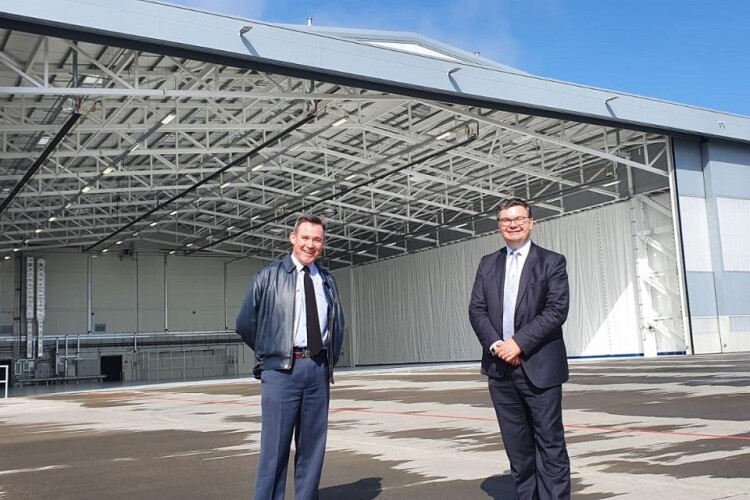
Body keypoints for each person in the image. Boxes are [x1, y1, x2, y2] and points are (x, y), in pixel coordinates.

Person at [236, 214, 345, 500]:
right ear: (292, 238)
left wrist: (327, 360)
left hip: (317, 371)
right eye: (305, 238)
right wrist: (270, 354)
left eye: (317, 239)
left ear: (323, 243)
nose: (311, 245)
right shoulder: (268, 276)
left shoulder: (327, 281)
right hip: (282, 371)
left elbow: (337, 324)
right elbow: (245, 322)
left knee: (312, 449)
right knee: (274, 451)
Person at [469, 198, 571, 500]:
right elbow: (477, 310)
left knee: (550, 446)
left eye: (518, 218)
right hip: (500, 370)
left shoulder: (552, 262)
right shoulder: (488, 263)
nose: (512, 224)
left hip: (539, 368)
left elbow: (556, 310)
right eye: (505, 220)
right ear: (499, 226)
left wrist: (519, 344)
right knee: (518, 449)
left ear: (531, 221)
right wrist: (497, 345)